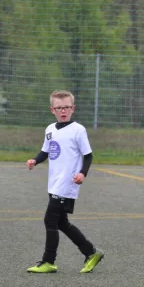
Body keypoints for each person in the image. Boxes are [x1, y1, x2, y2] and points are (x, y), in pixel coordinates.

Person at [26, 90, 104, 274]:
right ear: (52, 109)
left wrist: (82, 173)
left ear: (73, 108)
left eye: (67, 107)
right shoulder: (50, 129)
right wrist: (35, 160)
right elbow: (46, 151)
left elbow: (88, 155)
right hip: (54, 182)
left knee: (49, 220)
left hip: (67, 183)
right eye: (59, 108)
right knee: (61, 223)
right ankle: (91, 252)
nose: (63, 111)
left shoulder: (78, 130)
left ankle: (48, 261)